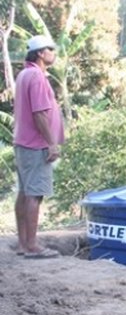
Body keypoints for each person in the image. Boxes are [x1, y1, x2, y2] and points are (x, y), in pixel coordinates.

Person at [13, 35, 66, 259]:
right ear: (40, 53)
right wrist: (51, 143)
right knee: (35, 194)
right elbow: (39, 114)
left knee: (25, 193)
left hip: (23, 142)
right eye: (50, 49)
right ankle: (32, 245)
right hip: (36, 145)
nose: (53, 53)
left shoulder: (25, 74)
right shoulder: (36, 76)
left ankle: (24, 243)